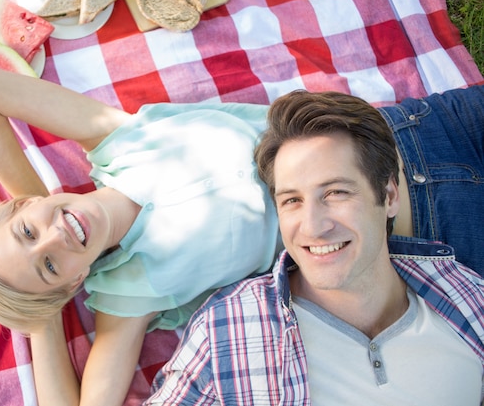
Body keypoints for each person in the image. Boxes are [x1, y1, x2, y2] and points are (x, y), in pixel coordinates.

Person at [0, 66, 280, 406]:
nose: (56, 237)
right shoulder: (129, 294)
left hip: (315, 128)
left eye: (27, 231)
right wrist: (43, 316)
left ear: (25, 205)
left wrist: (44, 204)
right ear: (74, 283)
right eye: (50, 266)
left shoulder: (117, 140)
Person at [145, 88, 484, 405]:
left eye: (336, 192)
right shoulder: (228, 329)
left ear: (390, 196)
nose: (313, 227)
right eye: (292, 200)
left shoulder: (467, 298)